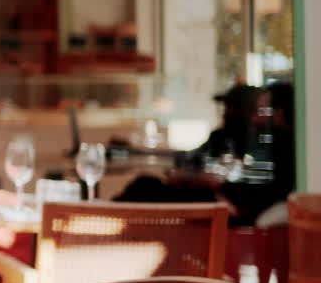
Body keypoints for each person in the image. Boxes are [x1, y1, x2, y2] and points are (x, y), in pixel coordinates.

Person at [114, 83, 295, 227]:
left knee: (144, 188)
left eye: (231, 107)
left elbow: (269, 190)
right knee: (144, 185)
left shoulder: (276, 146)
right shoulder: (223, 137)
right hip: (207, 196)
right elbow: (188, 160)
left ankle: (104, 219)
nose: (225, 112)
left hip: (223, 206)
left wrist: (221, 190)